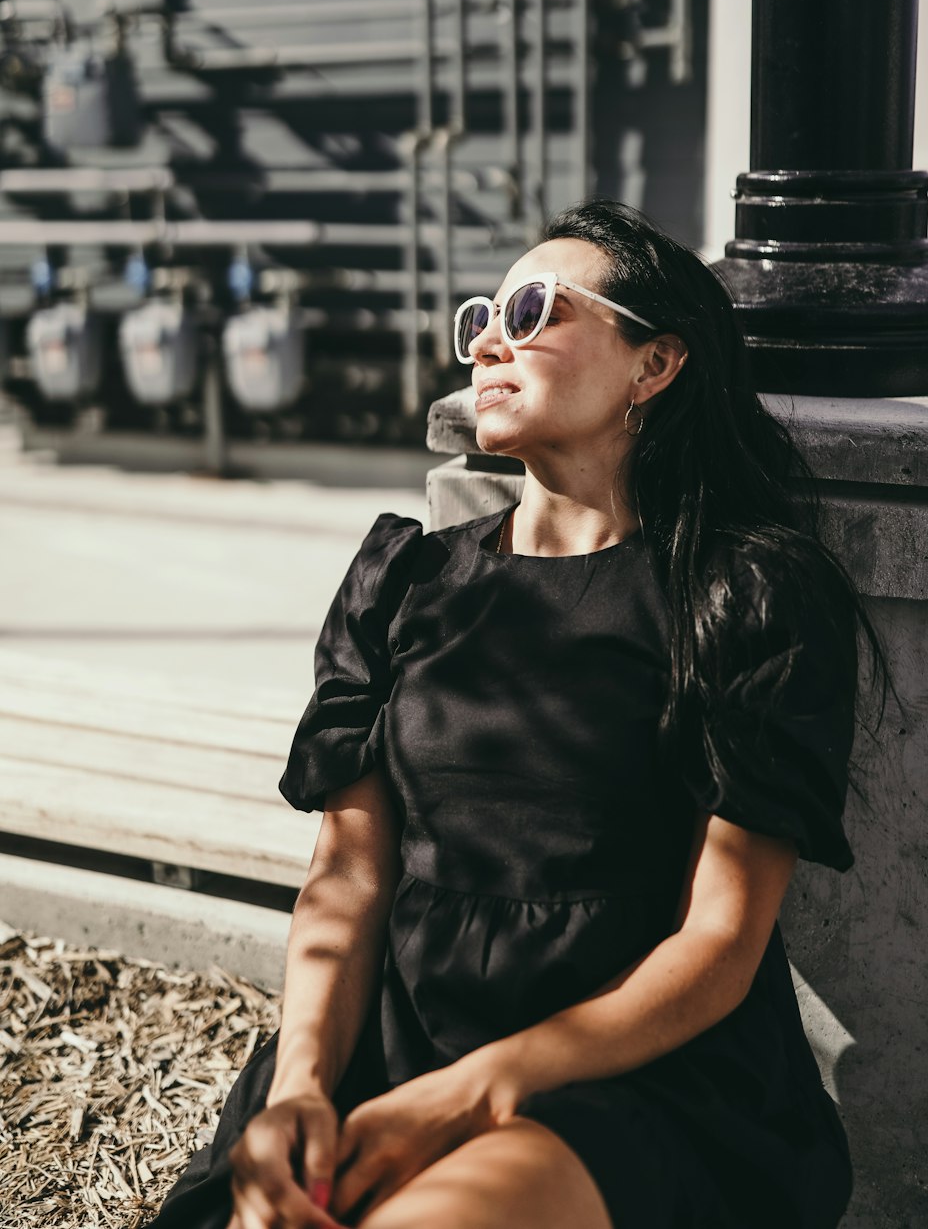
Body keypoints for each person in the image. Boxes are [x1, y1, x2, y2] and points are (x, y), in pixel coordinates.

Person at [150, 199, 883, 1229]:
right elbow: (350, 875)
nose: (489, 338)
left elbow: (718, 940)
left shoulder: (748, 595)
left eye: (534, 306)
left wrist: (480, 1088)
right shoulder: (403, 580)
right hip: (393, 1047)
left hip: (628, 1082)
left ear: (654, 365)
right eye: (480, 316)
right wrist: (301, 1086)